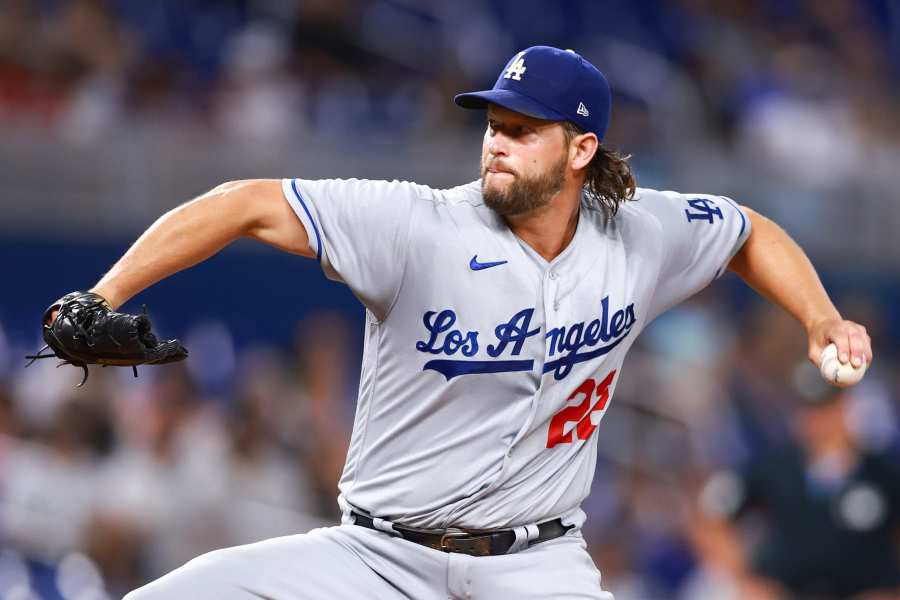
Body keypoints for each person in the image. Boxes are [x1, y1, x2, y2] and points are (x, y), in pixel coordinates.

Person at [54, 46, 870, 599]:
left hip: (536, 564)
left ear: (581, 150)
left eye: (522, 130)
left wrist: (819, 317)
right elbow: (244, 204)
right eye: (492, 124)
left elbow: (748, 231)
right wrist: (104, 293)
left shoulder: (641, 235)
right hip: (376, 557)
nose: (496, 144)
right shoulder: (417, 226)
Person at [694, 366, 900, 599]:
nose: (818, 420)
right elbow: (709, 516)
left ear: (844, 407)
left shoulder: (883, 473)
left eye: (825, 407)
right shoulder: (775, 468)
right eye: (810, 409)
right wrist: (744, 578)